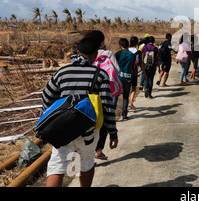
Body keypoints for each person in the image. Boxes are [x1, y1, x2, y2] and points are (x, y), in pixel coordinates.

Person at [42, 35, 118, 187]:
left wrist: (52, 121)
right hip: (87, 130)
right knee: (86, 163)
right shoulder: (100, 75)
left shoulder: (61, 73)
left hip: (62, 129)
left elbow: (46, 98)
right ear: (96, 54)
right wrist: (112, 132)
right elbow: (108, 107)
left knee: (57, 167)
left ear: (77, 51)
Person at [93, 31, 120, 161]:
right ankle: (98, 150)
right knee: (103, 120)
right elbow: (116, 70)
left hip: (89, 94)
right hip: (105, 90)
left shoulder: (88, 54)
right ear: (102, 42)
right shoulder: (108, 54)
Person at [114, 38, 136, 120]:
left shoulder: (118, 54)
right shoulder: (132, 55)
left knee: (115, 95)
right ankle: (124, 114)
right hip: (128, 78)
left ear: (120, 46)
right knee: (126, 97)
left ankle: (112, 114)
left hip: (119, 78)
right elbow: (133, 67)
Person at [129, 36, 146, 109]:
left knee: (126, 90)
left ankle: (126, 105)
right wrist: (144, 74)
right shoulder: (138, 52)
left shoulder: (126, 51)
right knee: (133, 88)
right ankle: (130, 103)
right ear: (137, 43)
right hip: (134, 72)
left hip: (125, 71)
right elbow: (141, 64)